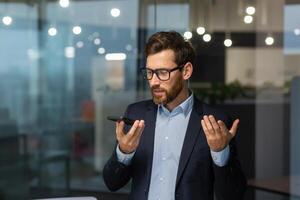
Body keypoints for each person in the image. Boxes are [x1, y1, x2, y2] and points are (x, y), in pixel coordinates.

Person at [103, 31, 246, 200]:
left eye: (162, 72)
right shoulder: (135, 114)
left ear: (186, 71)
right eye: (149, 72)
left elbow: (233, 195)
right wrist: (124, 153)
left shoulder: (215, 122)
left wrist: (220, 152)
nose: (153, 81)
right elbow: (112, 183)